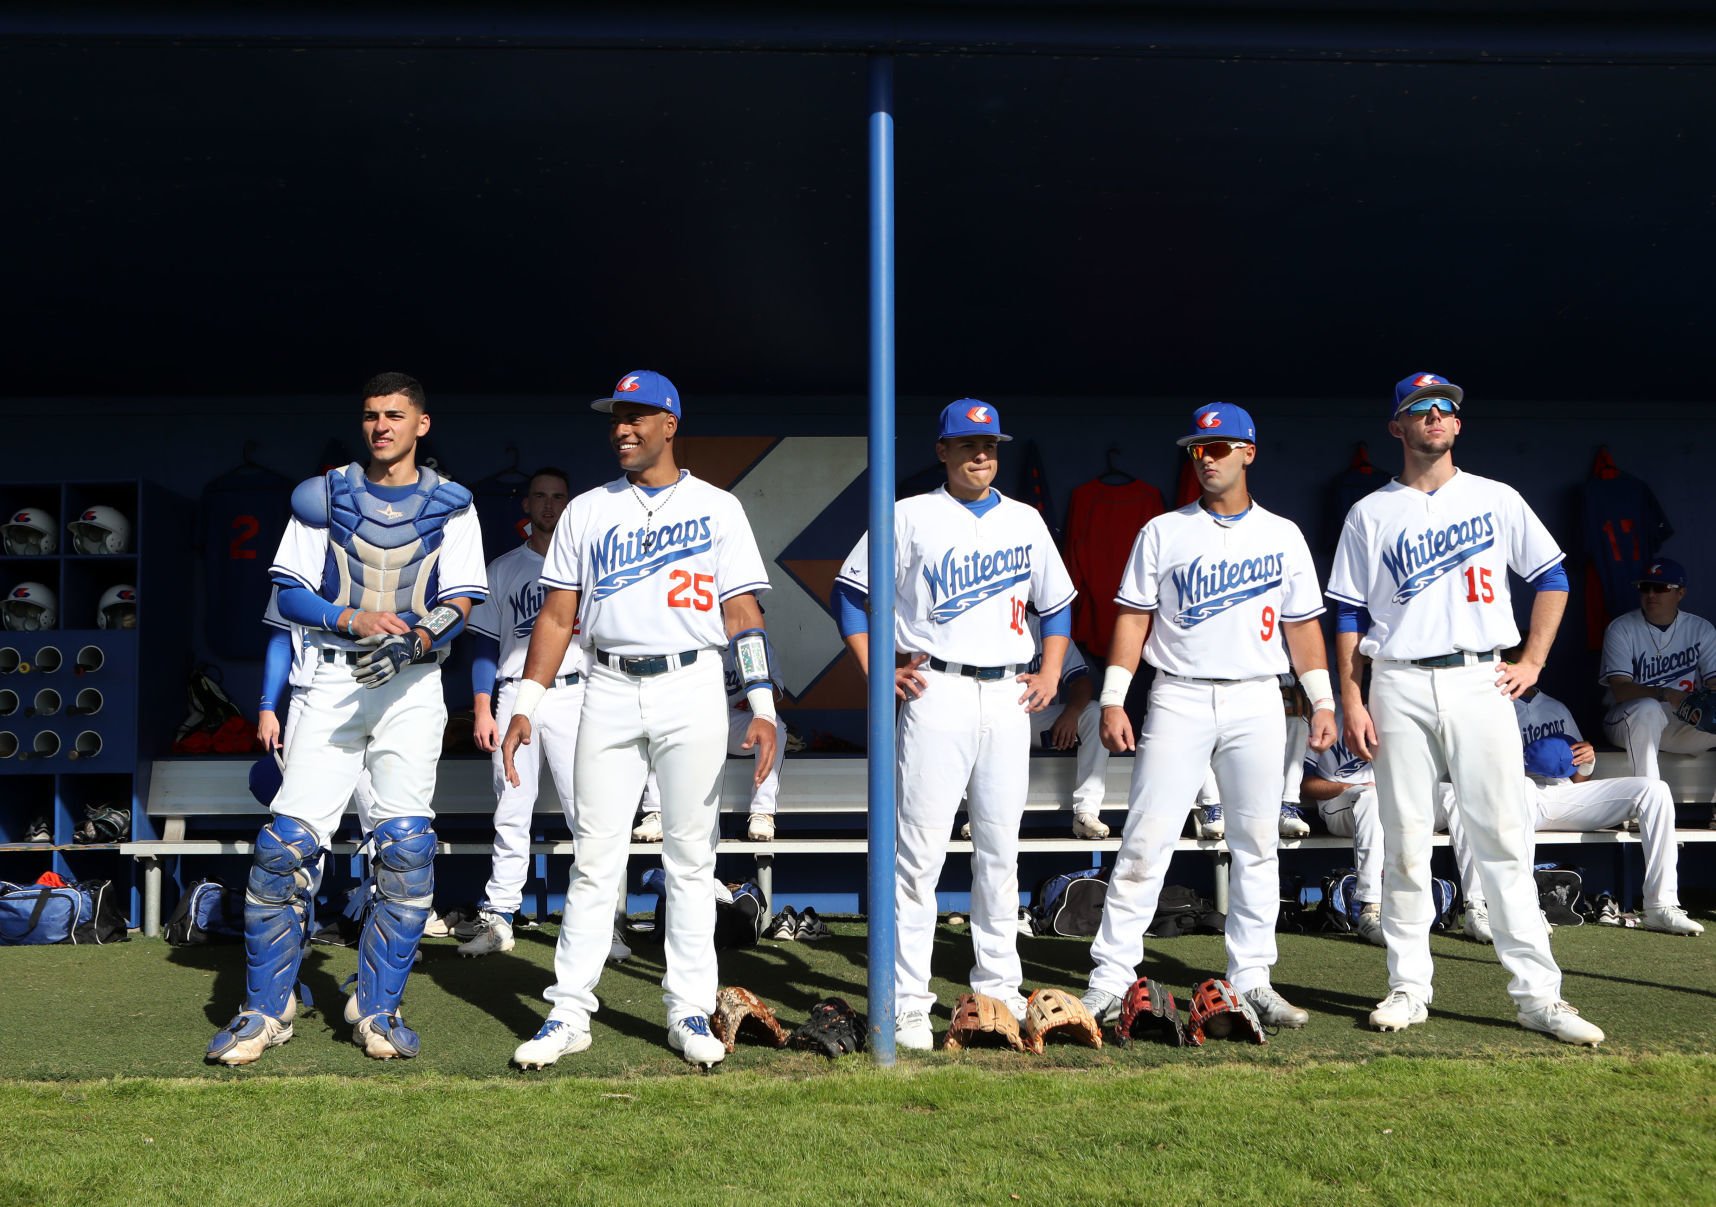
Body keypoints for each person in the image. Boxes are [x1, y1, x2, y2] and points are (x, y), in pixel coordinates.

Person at [207, 372, 487, 1065]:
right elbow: (287, 594)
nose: (381, 425)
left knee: (406, 848)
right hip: (332, 678)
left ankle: (378, 1007)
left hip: (413, 685)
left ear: (422, 423)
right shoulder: (321, 495)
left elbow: (462, 601)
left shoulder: (454, 505)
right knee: (282, 850)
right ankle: (268, 1010)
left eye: (395, 414)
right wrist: (350, 615)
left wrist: (417, 638)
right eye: (370, 415)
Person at [503, 370, 776, 1071]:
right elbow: (558, 615)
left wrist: (765, 703)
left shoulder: (718, 506)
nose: (622, 428)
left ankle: (688, 1005)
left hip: (692, 681)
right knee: (595, 858)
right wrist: (526, 703)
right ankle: (569, 1010)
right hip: (609, 684)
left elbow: (742, 611)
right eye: (616, 417)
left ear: (670, 424)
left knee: (691, 859)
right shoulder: (589, 510)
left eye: (636, 416)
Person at [1328, 370, 1603, 1045]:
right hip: (1396, 679)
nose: (1433, 417)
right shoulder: (1370, 511)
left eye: (1444, 409)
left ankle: (1539, 995)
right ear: (1397, 425)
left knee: (1505, 836)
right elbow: (1347, 610)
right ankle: (1408, 984)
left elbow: (1552, 577)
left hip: (1480, 677)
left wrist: (1533, 660)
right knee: (1405, 840)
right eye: (1419, 409)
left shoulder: (1495, 497)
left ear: (1457, 424)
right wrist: (1352, 693)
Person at [1079, 402, 1336, 1033]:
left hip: (1257, 695)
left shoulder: (1282, 534)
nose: (1208, 457)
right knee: (1145, 838)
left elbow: (1303, 626)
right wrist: (1114, 696)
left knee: (1258, 843)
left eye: (1220, 447)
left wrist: (1323, 698)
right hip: (1179, 694)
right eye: (1199, 448)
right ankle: (1109, 978)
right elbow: (1133, 618)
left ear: (1249, 452)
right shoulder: (1163, 530)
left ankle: (1253, 979)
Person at [834, 399, 1076, 1051]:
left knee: (1000, 852)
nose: (981, 455)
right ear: (941, 450)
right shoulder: (907, 515)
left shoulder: (1025, 520)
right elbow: (850, 596)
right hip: (935, 687)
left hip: (1005, 694)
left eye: (991, 445)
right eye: (968, 445)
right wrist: (875, 667)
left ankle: (997, 986)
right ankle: (910, 998)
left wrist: (1052, 671)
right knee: (918, 856)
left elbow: (1057, 609)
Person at [463, 468, 631, 961]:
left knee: (591, 813)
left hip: (580, 693)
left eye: (559, 497)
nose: (550, 506)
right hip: (516, 694)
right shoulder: (504, 568)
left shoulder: (591, 568)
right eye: (540, 496)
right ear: (526, 505)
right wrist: (480, 706)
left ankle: (606, 923)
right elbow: (484, 644)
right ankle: (499, 918)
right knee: (511, 812)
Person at [1449, 682, 1703, 938]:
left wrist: (1587, 761)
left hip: (1562, 795)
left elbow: (1578, 777)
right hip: (1518, 798)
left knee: (1654, 790)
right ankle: (1525, 907)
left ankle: (1660, 905)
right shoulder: (1490, 707)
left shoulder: (1555, 707)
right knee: (1523, 786)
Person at [633, 640, 788, 843]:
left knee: (776, 727)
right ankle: (657, 812)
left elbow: (776, 690)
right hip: (696, 720)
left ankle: (762, 812)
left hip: (736, 721)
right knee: (660, 724)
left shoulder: (757, 646)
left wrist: (757, 696)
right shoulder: (695, 642)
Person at [1599, 557, 1716, 789]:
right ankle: (1647, 799)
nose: (1651, 594)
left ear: (1680, 593)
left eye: (1661, 588)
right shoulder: (1621, 628)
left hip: (1680, 724)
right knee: (1647, 708)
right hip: (1628, 721)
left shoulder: (1700, 629)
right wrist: (1666, 693)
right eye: (1645, 587)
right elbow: (1620, 689)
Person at [1192, 675, 1314, 841]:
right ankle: (1212, 807)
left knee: (1296, 717)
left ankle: (1285, 805)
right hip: (1210, 687)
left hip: (1262, 689)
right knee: (1198, 718)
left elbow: (1291, 669)